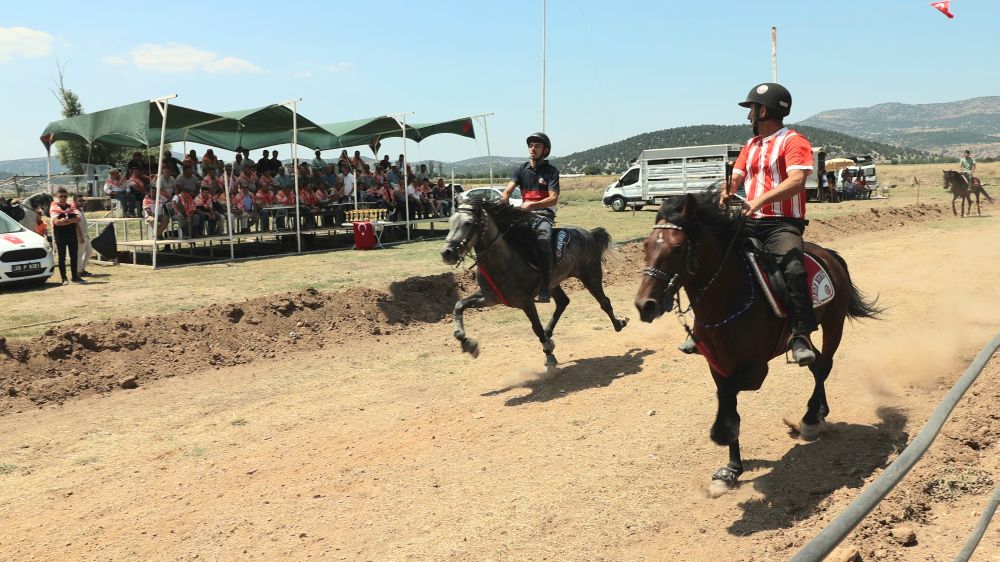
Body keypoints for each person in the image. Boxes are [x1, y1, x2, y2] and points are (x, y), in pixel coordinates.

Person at [711, 82, 817, 366]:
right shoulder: (751, 145)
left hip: (782, 224)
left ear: (765, 110)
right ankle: (704, 328)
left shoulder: (794, 141)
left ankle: (801, 335)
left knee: (793, 269)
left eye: (752, 109)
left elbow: (797, 181)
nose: (748, 116)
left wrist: (759, 201)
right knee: (712, 258)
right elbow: (736, 177)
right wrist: (727, 190)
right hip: (748, 219)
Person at [503, 132, 560, 303]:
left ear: (545, 150)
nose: (532, 149)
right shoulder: (521, 169)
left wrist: (531, 205)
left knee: (543, 238)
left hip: (544, 214)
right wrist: (504, 198)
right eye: (531, 145)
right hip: (524, 214)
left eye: (537, 146)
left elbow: (553, 198)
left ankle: (545, 286)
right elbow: (507, 190)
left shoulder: (551, 171)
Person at [49, 188, 85, 285]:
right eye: (61, 196)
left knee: (74, 256)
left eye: (65, 196)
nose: (63, 198)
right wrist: (70, 220)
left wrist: (65, 220)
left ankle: (75, 276)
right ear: (57, 197)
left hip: (71, 234)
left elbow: (78, 219)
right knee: (62, 257)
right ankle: (64, 278)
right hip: (60, 235)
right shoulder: (54, 207)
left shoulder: (71, 206)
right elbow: (56, 223)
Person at [72, 194, 93, 277]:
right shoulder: (74, 211)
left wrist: (86, 235)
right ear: (75, 202)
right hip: (79, 236)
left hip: (85, 235)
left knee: (89, 251)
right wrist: (80, 236)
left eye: (82, 200)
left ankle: (82, 269)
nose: (81, 202)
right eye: (79, 201)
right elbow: (76, 225)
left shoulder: (80, 210)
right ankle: (79, 272)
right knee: (80, 254)